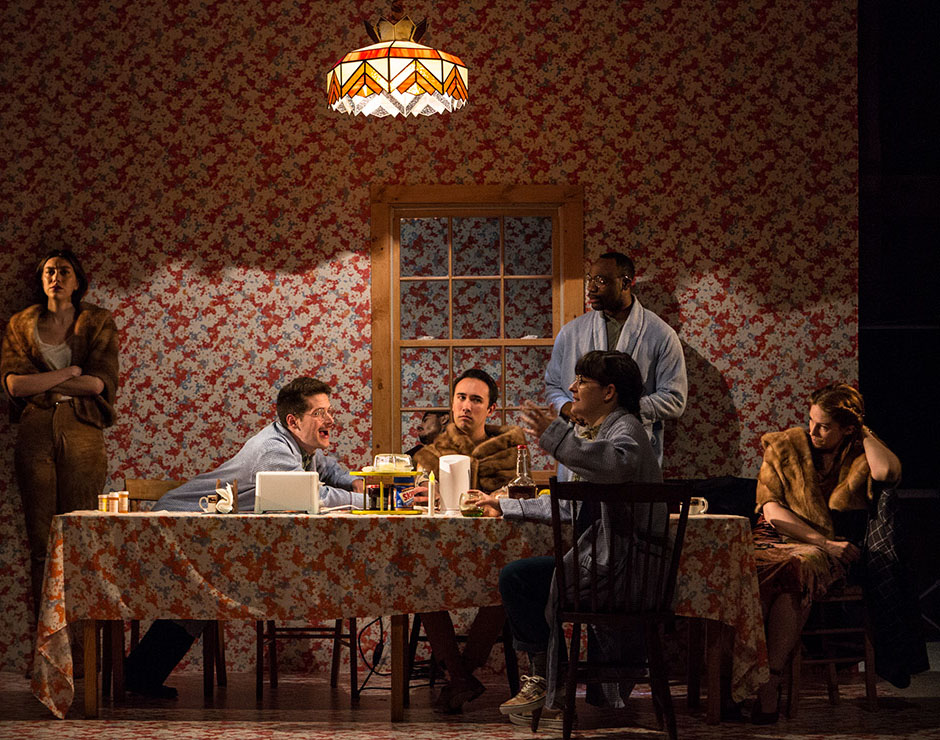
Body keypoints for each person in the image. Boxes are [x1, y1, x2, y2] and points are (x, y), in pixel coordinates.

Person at [123, 376, 364, 697]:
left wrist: (355, 481)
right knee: (204, 593)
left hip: (211, 532)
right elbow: (314, 497)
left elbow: (327, 469)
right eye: (320, 413)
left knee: (204, 594)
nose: (331, 419)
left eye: (330, 411)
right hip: (180, 525)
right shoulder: (273, 450)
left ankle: (138, 676)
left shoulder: (299, 445)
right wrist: (372, 500)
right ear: (294, 421)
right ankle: (136, 676)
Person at [474, 350, 662, 727]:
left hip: (624, 573)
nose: (572, 388)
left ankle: (548, 680)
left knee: (519, 579)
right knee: (519, 576)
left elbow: (615, 463)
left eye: (582, 381)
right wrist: (505, 504)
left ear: (609, 392)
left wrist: (557, 437)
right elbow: (570, 505)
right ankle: (548, 679)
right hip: (608, 565)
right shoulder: (602, 432)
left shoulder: (625, 430)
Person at [749, 383, 901, 724]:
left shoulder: (859, 453)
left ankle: (770, 681)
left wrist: (863, 432)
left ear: (847, 428)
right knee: (750, 572)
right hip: (779, 536)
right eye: (811, 421)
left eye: (824, 426)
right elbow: (771, 510)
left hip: (827, 551)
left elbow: (887, 472)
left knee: (797, 570)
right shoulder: (785, 446)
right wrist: (823, 542)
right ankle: (739, 681)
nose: (813, 431)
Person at [1, 249, 119, 620]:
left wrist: (42, 382)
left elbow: (98, 383)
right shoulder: (21, 323)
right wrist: (68, 374)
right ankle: (46, 643)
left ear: (77, 280)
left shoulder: (97, 321)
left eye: (64, 271)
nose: (56, 278)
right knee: (41, 539)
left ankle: (81, 646)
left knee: (80, 533)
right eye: (49, 271)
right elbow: (15, 385)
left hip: (82, 427)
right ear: (40, 279)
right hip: (35, 427)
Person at [411, 368, 526, 713]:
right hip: (440, 552)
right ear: (451, 404)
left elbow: (519, 496)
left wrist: (498, 500)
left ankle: (462, 675)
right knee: (417, 585)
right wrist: (424, 496)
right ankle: (460, 677)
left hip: (496, 552)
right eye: (461, 398)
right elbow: (417, 500)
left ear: (490, 409)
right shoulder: (429, 454)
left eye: (476, 400)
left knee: (508, 587)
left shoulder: (509, 451)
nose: (466, 406)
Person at [543, 251, 686, 467]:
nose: (591, 288)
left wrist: (619, 410)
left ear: (626, 283)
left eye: (601, 280)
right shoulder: (571, 332)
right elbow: (553, 386)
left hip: (633, 446)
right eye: (590, 279)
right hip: (579, 445)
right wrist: (568, 408)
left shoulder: (661, 335)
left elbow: (674, 399)